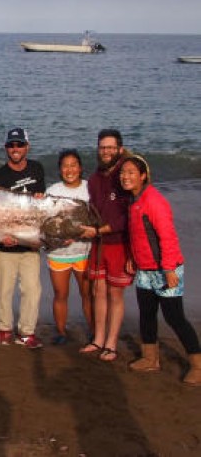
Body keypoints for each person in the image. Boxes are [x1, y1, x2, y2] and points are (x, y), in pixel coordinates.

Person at [119, 155, 199, 385]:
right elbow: (138, 235)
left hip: (166, 269)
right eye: (123, 172)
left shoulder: (154, 201)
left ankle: (198, 365)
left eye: (132, 172)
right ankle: (150, 358)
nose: (126, 176)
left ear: (143, 176)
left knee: (175, 318)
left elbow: (167, 238)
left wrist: (169, 270)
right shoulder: (134, 201)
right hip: (145, 270)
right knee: (147, 315)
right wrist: (132, 258)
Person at [0, 128, 46, 349]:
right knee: (5, 290)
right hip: (4, 245)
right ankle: (4, 329)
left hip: (29, 244)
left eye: (19, 145)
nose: (16, 149)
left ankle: (26, 332)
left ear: (27, 147)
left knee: (32, 289)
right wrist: (2, 236)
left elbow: (38, 208)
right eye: (11, 145)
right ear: (6, 149)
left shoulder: (37, 168)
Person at [79, 129, 134, 361]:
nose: (106, 151)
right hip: (98, 243)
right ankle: (98, 338)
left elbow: (127, 217)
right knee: (97, 291)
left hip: (119, 244)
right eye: (103, 147)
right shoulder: (93, 179)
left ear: (120, 149)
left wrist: (100, 230)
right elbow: (92, 212)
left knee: (115, 294)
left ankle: (111, 343)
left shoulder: (126, 176)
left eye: (111, 147)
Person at [45, 149, 93, 345]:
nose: (69, 169)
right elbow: (46, 222)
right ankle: (60, 331)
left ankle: (94, 330)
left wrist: (82, 234)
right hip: (58, 253)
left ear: (80, 168)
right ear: (60, 169)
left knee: (88, 294)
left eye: (73, 165)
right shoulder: (52, 191)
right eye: (65, 166)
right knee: (60, 294)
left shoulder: (91, 189)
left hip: (85, 252)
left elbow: (97, 219)